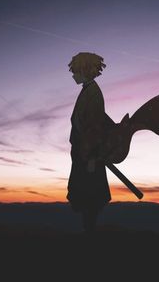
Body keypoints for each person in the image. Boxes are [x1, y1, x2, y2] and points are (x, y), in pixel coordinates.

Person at [66, 52, 111, 233]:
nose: (73, 74)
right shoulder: (88, 90)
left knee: (89, 196)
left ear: (84, 70)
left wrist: (92, 157)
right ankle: (88, 230)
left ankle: (89, 235)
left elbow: (94, 125)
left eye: (75, 71)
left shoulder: (93, 93)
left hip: (88, 154)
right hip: (83, 152)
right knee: (86, 195)